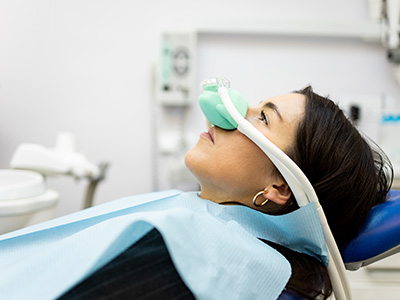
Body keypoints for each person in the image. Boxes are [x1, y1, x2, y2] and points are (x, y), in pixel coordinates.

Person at [1, 86, 392, 300]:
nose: (225, 112)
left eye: (260, 117)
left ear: (278, 188)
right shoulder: (198, 221)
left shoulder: (211, 258)